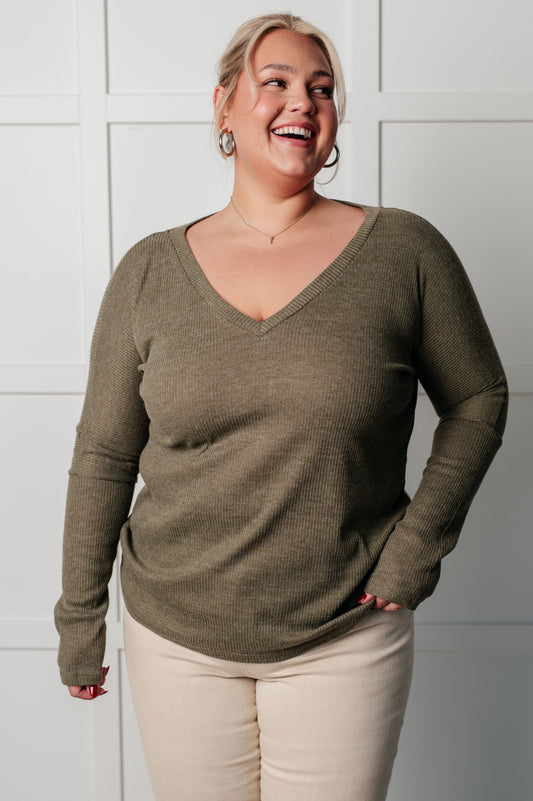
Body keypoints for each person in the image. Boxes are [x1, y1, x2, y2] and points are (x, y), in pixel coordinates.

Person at [54, 13, 508, 801]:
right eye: (276, 82)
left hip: (345, 631)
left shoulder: (403, 252)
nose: (302, 101)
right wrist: (79, 618)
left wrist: (415, 546)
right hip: (176, 634)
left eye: (321, 87)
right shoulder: (149, 271)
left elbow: (478, 398)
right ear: (225, 105)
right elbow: (103, 455)